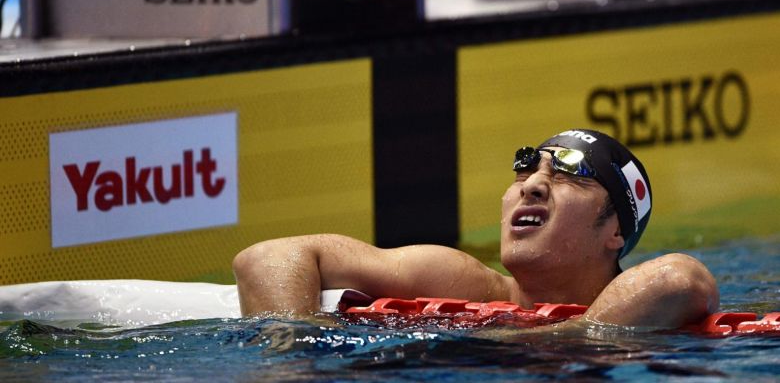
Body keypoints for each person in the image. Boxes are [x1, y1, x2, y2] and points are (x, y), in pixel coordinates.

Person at [233, 129, 719, 329]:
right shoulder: (460, 283)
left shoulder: (655, 297)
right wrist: (291, 353)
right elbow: (267, 257)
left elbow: (682, 279)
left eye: (568, 176)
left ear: (615, 231)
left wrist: (552, 340)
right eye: (526, 171)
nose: (532, 186)